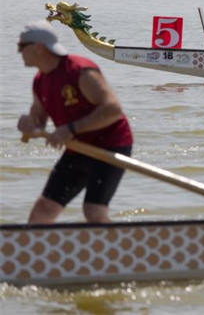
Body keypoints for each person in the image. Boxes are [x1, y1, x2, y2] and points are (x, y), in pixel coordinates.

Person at [16, 21, 134, 225]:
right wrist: (29, 125)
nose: (18, 52)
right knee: (43, 209)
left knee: (93, 211)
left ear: (38, 48)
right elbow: (38, 120)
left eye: (21, 46)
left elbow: (113, 109)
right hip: (77, 148)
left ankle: (121, 244)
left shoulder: (80, 70)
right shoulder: (40, 80)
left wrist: (71, 128)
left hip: (111, 145)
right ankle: (34, 246)